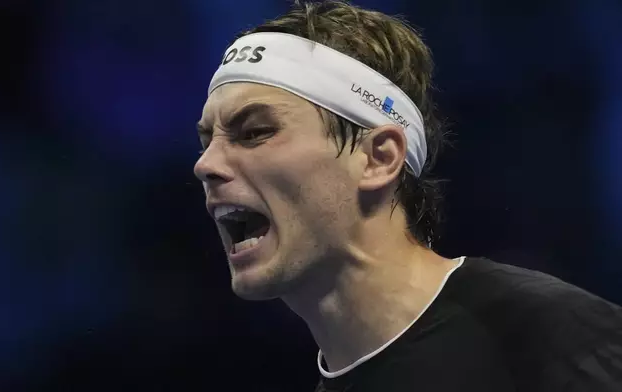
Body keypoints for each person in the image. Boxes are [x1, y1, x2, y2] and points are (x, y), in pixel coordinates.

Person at [193, 1, 622, 391]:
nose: (205, 165)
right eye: (206, 141)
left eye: (255, 133)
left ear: (378, 159)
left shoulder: (550, 335)